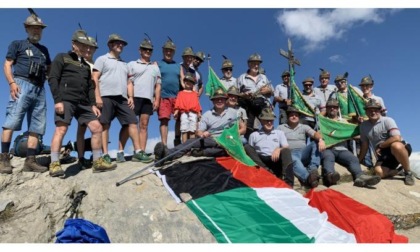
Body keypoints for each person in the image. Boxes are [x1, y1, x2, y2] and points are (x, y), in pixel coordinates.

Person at [48, 30, 117, 177]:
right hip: (66, 100)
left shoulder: (86, 65)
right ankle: (54, 164)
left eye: (87, 45)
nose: (86, 48)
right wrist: (58, 100)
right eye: (82, 44)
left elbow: (90, 87)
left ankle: (97, 162)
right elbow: (53, 78)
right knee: (61, 130)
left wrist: (92, 104)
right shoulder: (62, 57)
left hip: (84, 103)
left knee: (97, 127)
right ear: (74, 44)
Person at [0, 12, 51, 174]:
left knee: (37, 126)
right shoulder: (18, 44)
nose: (37, 31)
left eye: (40, 29)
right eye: (34, 28)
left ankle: (30, 161)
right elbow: (7, 65)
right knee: (12, 121)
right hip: (21, 83)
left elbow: (49, 71)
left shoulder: (44, 50)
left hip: (39, 88)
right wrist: (12, 83)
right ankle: (4, 159)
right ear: (27, 28)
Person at [154, 88, 243, 166]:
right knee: (190, 142)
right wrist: (202, 134)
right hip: (212, 139)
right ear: (212, 101)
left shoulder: (233, 112)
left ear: (225, 100)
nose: (219, 101)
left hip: (229, 140)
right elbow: (199, 131)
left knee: (229, 150)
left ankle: (202, 152)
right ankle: (167, 155)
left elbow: (243, 128)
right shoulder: (207, 115)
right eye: (217, 99)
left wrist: (232, 135)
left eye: (222, 99)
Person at [93, 34, 147, 163]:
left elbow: (129, 82)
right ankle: (105, 154)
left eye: (122, 44)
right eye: (117, 43)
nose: (120, 45)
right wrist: (97, 97)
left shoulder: (125, 64)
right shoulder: (102, 59)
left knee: (132, 122)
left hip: (122, 98)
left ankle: (138, 151)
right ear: (110, 44)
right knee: (105, 124)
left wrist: (131, 97)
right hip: (106, 96)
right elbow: (94, 77)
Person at [321, 98, 381, 188]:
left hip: (342, 150)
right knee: (328, 158)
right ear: (327, 108)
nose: (332, 109)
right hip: (328, 149)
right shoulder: (323, 122)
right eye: (330, 107)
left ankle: (359, 177)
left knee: (353, 159)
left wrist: (361, 126)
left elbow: (354, 135)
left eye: (334, 107)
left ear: (338, 109)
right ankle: (330, 176)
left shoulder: (344, 122)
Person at [120, 38, 161, 163]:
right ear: (140, 50)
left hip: (148, 99)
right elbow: (129, 82)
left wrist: (157, 100)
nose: (147, 51)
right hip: (134, 97)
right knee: (128, 125)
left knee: (144, 125)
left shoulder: (155, 68)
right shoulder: (132, 64)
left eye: (150, 50)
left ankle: (141, 152)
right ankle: (120, 151)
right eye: (145, 49)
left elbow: (158, 85)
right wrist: (129, 96)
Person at [358, 99, 414, 186]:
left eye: (375, 110)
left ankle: (408, 173)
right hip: (384, 154)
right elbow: (365, 145)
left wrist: (381, 146)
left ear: (380, 111)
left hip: (399, 149)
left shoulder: (388, 120)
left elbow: (397, 137)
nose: (373, 112)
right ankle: (397, 171)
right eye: (370, 110)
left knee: (396, 146)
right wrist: (359, 160)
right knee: (378, 172)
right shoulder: (363, 126)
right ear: (366, 112)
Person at [278, 106, 325, 188]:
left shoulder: (304, 127)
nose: (294, 117)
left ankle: (313, 169)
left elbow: (314, 134)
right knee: (291, 157)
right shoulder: (280, 128)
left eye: (296, 115)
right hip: (290, 152)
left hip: (303, 153)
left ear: (299, 117)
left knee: (315, 142)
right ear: (288, 116)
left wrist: (320, 140)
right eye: (291, 115)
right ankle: (308, 178)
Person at [248, 108, 294, 187]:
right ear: (261, 121)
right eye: (266, 120)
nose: (269, 122)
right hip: (261, 161)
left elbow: (286, 147)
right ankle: (265, 171)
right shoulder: (254, 135)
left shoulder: (279, 133)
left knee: (286, 151)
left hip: (274, 160)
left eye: (271, 120)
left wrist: (279, 149)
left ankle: (288, 183)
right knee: (247, 147)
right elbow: (251, 153)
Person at [237, 53, 273, 140]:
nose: (256, 66)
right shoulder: (241, 78)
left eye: (258, 64)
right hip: (248, 105)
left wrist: (268, 91)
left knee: (267, 124)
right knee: (248, 127)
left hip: (262, 104)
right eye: (254, 63)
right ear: (249, 64)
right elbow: (236, 94)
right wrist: (244, 95)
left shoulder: (264, 77)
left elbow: (272, 91)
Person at [75, 36, 98, 169]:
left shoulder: (96, 64)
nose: (89, 49)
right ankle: (81, 157)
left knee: (97, 127)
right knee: (81, 127)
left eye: (92, 48)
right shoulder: (78, 61)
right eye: (87, 47)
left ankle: (96, 157)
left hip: (94, 98)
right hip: (80, 98)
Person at [157, 38, 181, 147]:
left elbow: (183, 80)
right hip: (163, 97)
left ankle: (177, 140)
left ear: (174, 52)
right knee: (164, 120)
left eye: (170, 50)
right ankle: (164, 145)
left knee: (180, 119)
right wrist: (155, 97)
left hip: (177, 97)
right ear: (163, 51)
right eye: (166, 50)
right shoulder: (157, 64)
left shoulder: (178, 66)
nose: (168, 52)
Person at [174, 72, 202, 144]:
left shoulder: (195, 94)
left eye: (190, 81)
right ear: (184, 82)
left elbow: (197, 104)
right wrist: (176, 112)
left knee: (192, 130)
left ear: (193, 84)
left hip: (193, 113)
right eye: (187, 81)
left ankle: (191, 146)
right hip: (184, 113)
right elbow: (178, 103)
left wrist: (199, 113)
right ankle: (184, 147)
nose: (188, 82)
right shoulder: (181, 93)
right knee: (184, 129)